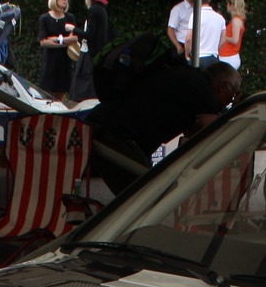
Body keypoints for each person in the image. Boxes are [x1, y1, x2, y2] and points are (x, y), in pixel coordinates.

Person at [86, 59, 239, 190]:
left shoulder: (190, 80)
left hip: (103, 125)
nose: (230, 101)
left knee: (138, 195)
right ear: (223, 86)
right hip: (117, 134)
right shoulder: (205, 91)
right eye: (233, 94)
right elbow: (214, 134)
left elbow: (193, 132)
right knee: (144, 197)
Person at [36, 0, 77, 100]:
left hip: (64, 61)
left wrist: (57, 40)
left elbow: (74, 38)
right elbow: (43, 41)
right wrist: (64, 41)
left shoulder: (70, 17)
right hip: (50, 61)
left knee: (61, 95)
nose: (65, 0)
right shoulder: (45, 18)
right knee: (47, 95)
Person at [72, 0, 109, 100]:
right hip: (96, 53)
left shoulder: (93, 10)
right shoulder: (102, 10)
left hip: (89, 54)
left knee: (83, 86)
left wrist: (72, 29)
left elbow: (89, 35)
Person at [217, 0, 244, 70]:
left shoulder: (236, 21)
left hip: (228, 55)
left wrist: (224, 37)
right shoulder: (237, 20)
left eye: (228, 4)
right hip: (229, 55)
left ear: (232, 5)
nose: (227, 6)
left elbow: (235, 40)